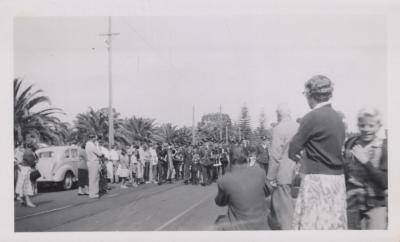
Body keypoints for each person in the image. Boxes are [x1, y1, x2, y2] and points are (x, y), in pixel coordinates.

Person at [289, 75, 347, 230]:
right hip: (337, 181)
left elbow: (293, 148)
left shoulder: (311, 117)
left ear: (310, 94)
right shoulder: (338, 118)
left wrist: (300, 157)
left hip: (317, 179)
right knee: (332, 225)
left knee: (313, 225)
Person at [344, 108, 387, 229]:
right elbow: (345, 172)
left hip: (375, 203)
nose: (367, 129)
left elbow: (385, 182)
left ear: (379, 126)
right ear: (358, 125)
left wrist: (365, 162)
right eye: (362, 125)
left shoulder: (384, 146)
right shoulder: (351, 143)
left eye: (371, 125)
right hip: (352, 201)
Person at [214, 147, 271, 230]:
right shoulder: (260, 172)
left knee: (219, 221)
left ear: (230, 159)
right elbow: (268, 192)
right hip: (263, 226)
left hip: (242, 228)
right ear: (247, 159)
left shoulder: (224, 180)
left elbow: (220, 202)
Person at [266, 104, 299, 230]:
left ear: (278, 115)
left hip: (283, 173)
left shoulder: (278, 128)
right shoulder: (298, 126)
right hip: (297, 171)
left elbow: (275, 155)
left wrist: (270, 177)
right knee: (283, 204)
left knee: (286, 214)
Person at [15, 133, 39, 207]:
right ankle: (28, 201)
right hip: (27, 169)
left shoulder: (29, 152)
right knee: (26, 185)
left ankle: (22, 199)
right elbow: (31, 162)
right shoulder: (29, 152)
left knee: (23, 184)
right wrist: (34, 163)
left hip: (25, 169)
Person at [85, 134, 103, 199]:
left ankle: (92, 193)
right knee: (95, 178)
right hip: (94, 162)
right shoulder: (92, 145)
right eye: (95, 138)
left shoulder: (87, 144)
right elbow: (99, 153)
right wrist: (98, 146)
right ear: (92, 138)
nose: (96, 139)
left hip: (90, 162)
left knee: (92, 178)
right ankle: (94, 193)